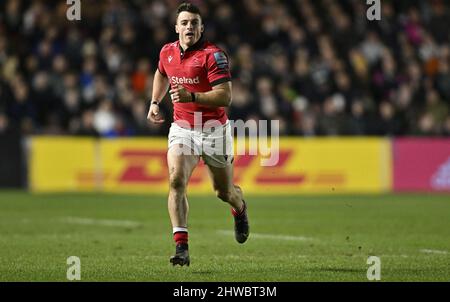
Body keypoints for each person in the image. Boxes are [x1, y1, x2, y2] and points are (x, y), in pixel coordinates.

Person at [147, 2, 249, 267]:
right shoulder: (167, 52)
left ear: (201, 27)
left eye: (194, 22)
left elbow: (225, 96)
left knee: (223, 192)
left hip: (214, 130)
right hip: (182, 128)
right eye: (184, 22)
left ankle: (240, 207)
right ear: (176, 27)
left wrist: (191, 95)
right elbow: (161, 74)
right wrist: (155, 102)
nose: (189, 26)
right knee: (176, 180)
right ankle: (181, 247)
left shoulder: (214, 56)